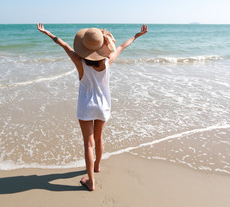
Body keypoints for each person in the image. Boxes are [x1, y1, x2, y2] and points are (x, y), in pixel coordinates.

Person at [37, 23, 148, 191]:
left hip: (86, 106)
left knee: (88, 144)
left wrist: (47, 32)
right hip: (103, 106)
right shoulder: (108, 60)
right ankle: (96, 166)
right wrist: (136, 35)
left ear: (84, 47)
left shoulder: (78, 61)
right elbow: (122, 46)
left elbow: (63, 44)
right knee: (98, 139)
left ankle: (91, 182)